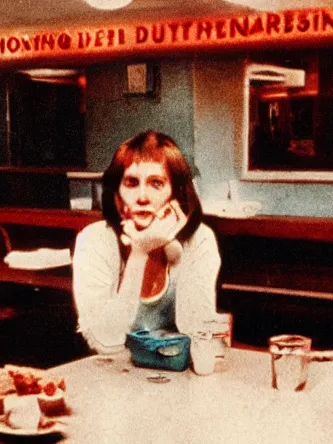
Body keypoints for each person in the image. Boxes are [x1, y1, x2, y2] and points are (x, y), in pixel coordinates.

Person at [72, 130, 221, 355]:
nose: (143, 196)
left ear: (176, 195)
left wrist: (172, 243)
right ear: (116, 196)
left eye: (156, 183)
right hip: (113, 375)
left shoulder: (200, 240)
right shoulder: (94, 240)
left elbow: (198, 333)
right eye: (131, 183)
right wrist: (139, 252)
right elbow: (106, 341)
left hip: (178, 373)